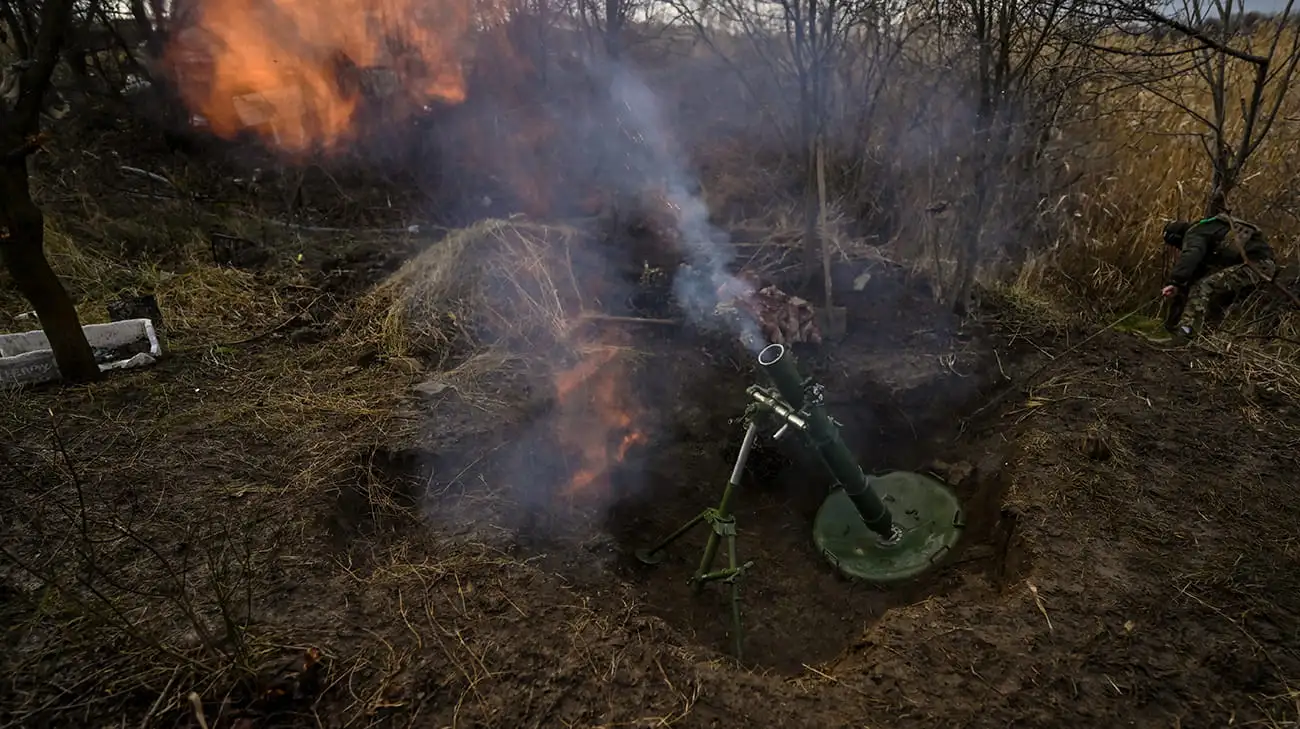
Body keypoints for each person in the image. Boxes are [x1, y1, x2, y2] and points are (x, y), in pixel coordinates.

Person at [1160, 215, 1278, 339]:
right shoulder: (1210, 229)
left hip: (1255, 266)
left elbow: (1191, 254)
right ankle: (1208, 336)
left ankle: (1185, 334)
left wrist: (1175, 281)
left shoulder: (1194, 232)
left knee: (1203, 287)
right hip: (1264, 265)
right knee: (1217, 294)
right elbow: (1195, 274)